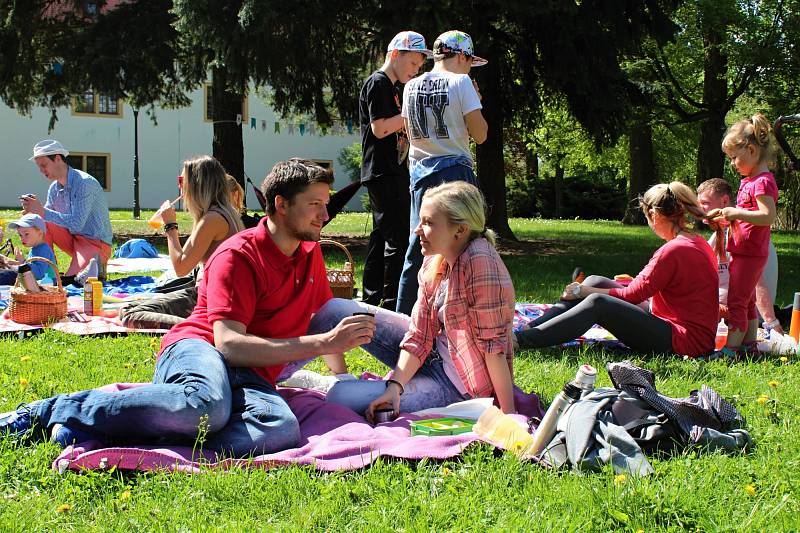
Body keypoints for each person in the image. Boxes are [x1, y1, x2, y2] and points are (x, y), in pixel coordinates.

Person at [0, 159, 376, 457]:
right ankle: (50, 410)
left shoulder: (309, 254)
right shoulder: (239, 254)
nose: (324, 216)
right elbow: (229, 345)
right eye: (314, 204)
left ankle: (106, 428)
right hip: (201, 347)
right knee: (206, 408)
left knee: (279, 429)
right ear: (280, 205)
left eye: (325, 205)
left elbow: (327, 316)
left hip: (252, 372)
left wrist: (341, 380)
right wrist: (322, 343)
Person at [307, 181, 516, 420]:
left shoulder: (480, 260)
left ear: (460, 230)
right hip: (431, 355)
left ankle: (331, 384)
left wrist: (509, 416)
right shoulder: (434, 260)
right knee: (336, 309)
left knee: (339, 397)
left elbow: (494, 348)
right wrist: (395, 387)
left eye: (428, 222)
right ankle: (268, 375)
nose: (418, 229)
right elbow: (419, 335)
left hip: (457, 386)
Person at [516, 182, 719, 358]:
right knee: (595, 281)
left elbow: (633, 295)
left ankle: (521, 340)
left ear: (655, 214)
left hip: (685, 343)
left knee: (598, 301)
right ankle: (530, 327)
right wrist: (594, 287)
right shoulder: (695, 242)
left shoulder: (673, 250)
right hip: (678, 328)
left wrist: (582, 291)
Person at [396, 30, 489, 315]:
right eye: (470, 62)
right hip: (455, 172)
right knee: (466, 245)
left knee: (418, 247)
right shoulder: (462, 83)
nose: (470, 68)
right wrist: (475, 101)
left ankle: (405, 316)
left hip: (421, 173)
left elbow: (409, 133)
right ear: (462, 56)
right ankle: (470, 312)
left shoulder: (410, 86)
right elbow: (481, 134)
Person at [118, 156, 244, 329]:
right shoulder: (223, 213)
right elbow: (186, 258)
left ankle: (199, 327)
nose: (180, 186)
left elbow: (180, 267)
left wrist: (170, 226)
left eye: (182, 181)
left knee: (129, 312)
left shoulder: (212, 219)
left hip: (209, 298)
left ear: (198, 184)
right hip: (216, 294)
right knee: (134, 304)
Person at [359, 31, 430, 310]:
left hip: (388, 170)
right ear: (396, 54)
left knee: (380, 238)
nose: (415, 71)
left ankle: (371, 299)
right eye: (413, 64)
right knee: (397, 239)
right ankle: (391, 305)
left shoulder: (392, 87)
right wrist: (415, 111)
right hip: (384, 171)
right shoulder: (378, 82)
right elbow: (380, 128)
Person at [708, 114, 779, 352]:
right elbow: (748, 218)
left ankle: (731, 349)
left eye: (734, 157)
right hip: (742, 249)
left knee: (736, 301)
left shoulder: (762, 182)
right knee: (747, 301)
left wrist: (736, 213)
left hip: (751, 253)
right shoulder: (749, 181)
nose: (732, 163)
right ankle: (749, 345)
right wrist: (728, 219)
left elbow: (767, 216)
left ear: (750, 150)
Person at [697, 178, 783, 333]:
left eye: (705, 203)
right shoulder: (721, 234)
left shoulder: (742, 234)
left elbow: (757, 282)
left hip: (741, 314)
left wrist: (771, 322)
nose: (700, 209)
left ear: (724, 201)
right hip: (728, 310)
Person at [21, 140, 113, 282]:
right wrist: (32, 215)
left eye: (44, 165)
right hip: (74, 239)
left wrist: (41, 211)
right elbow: (46, 220)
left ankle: (97, 263)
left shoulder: (85, 183)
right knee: (41, 223)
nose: (41, 170)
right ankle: (47, 271)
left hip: (95, 242)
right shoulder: (54, 188)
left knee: (74, 281)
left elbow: (77, 224)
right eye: (39, 167)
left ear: (58, 158)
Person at [0, 214, 57, 285]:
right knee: (6, 274)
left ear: (40, 233)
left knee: (6, 276)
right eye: (20, 235)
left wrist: (23, 261)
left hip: (47, 284)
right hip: (37, 283)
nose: (22, 238)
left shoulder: (44, 250)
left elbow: (39, 273)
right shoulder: (35, 248)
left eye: (26, 234)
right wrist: (9, 262)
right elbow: (31, 266)